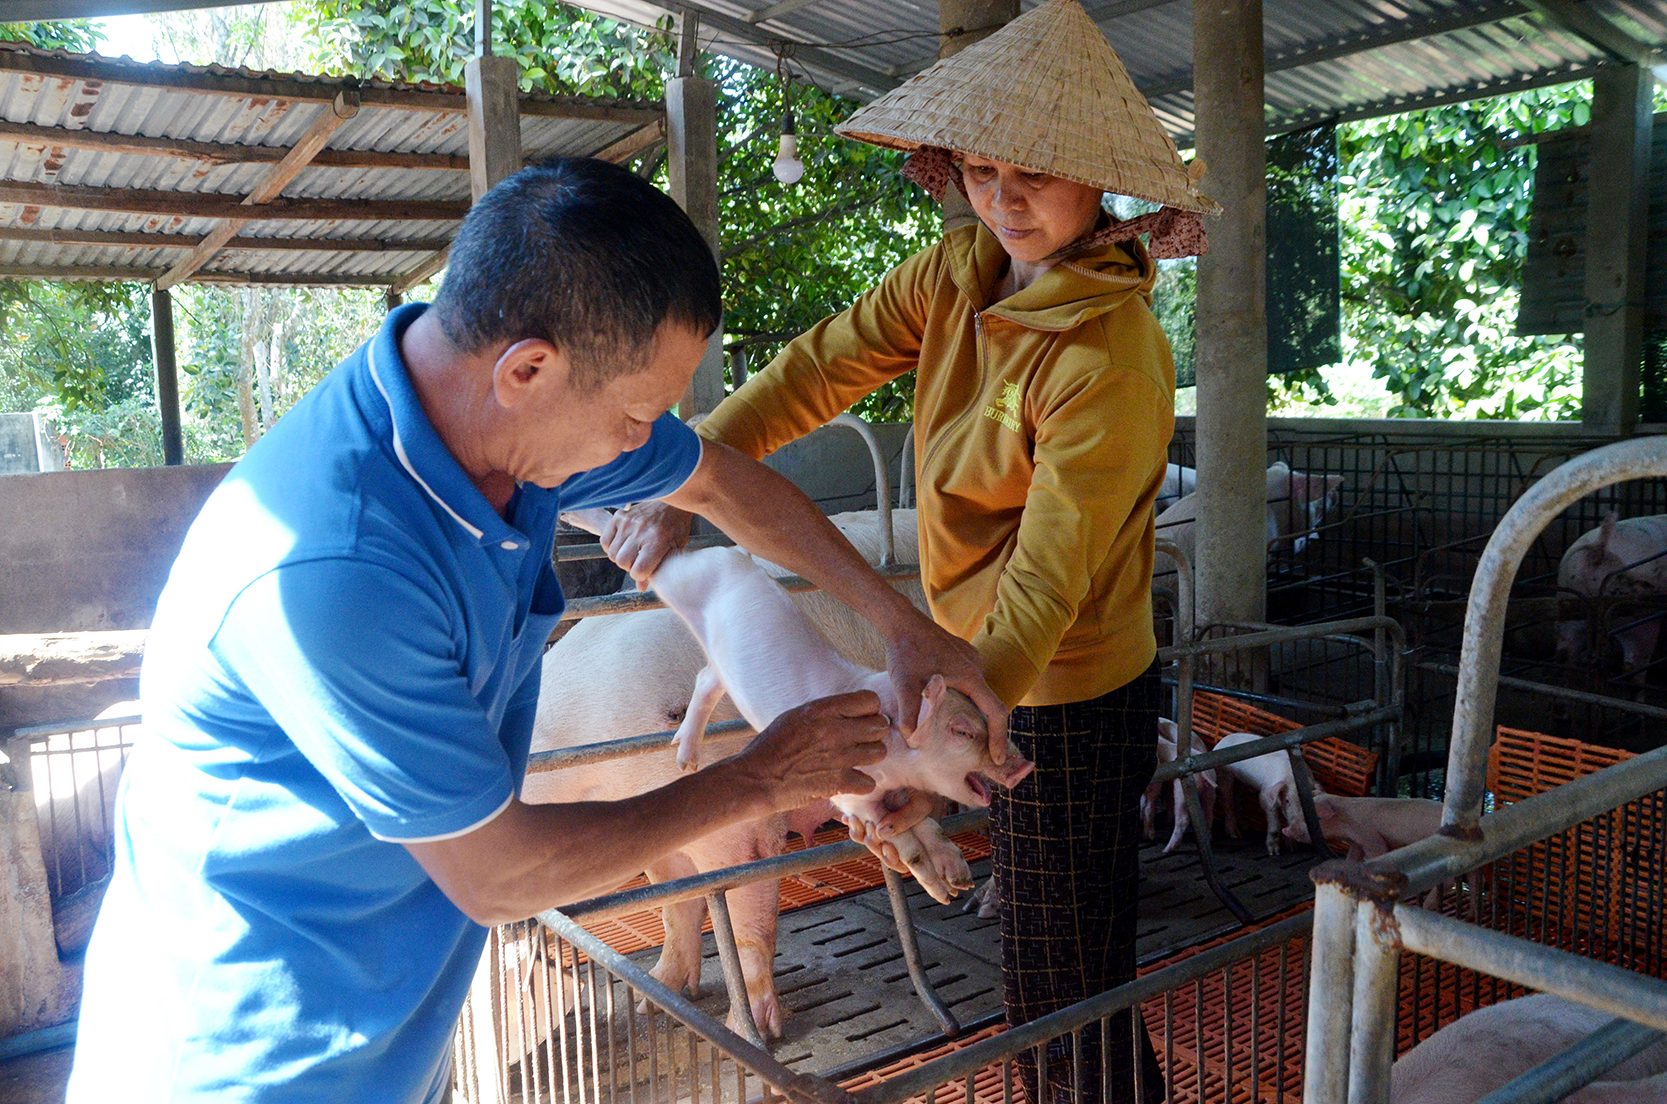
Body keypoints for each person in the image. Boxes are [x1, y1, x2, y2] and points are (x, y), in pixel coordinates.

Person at [66, 157, 1002, 1104]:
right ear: (528, 369)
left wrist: (898, 626)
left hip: (393, 1023)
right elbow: (500, 877)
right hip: (254, 1054)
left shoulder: (506, 435)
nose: (645, 445)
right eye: (637, 414)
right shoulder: (339, 568)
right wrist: (762, 777)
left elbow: (719, 481)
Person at [596, 4, 1217, 1102]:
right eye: (979, 170)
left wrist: (955, 738)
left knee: (1063, 966)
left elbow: (1046, 580)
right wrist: (689, 475)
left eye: (1033, 174)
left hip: (1060, 690)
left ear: (1101, 186)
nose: (1002, 199)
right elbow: (816, 370)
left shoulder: (1112, 354)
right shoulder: (954, 275)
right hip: (959, 666)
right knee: (1040, 954)